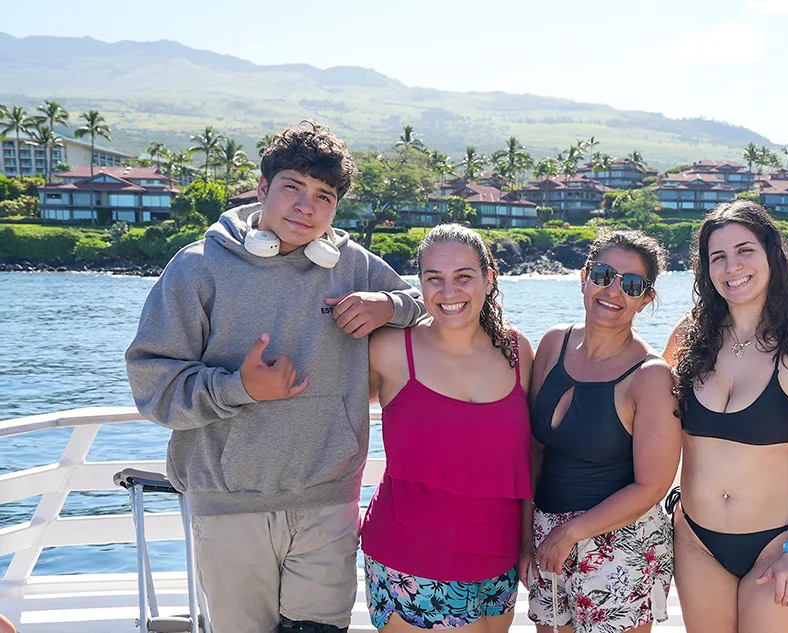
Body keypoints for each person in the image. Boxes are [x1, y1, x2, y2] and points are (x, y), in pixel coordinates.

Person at [125, 120, 425, 633]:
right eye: (292, 188)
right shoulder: (197, 268)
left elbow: (425, 305)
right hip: (228, 505)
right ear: (263, 189)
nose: (306, 207)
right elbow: (154, 387)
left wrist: (386, 304)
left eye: (323, 196)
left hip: (330, 500)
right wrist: (240, 388)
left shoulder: (354, 267)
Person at [664, 200, 788, 633]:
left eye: (745, 250)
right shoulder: (688, 340)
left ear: (771, 256)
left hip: (778, 543)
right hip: (697, 541)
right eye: (718, 257)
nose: (733, 267)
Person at [361, 224, 534, 632]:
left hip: (499, 556)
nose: (449, 292)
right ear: (418, 284)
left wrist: (527, 542)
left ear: (489, 280)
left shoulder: (517, 350)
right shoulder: (389, 349)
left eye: (464, 277)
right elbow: (326, 409)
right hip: (413, 556)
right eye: (433, 279)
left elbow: (530, 455)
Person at [525, 230, 681, 633]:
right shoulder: (552, 345)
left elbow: (652, 486)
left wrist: (571, 532)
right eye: (603, 274)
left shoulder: (650, 377)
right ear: (583, 277)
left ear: (645, 300)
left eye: (631, 285)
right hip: (547, 533)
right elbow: (534, 450)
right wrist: (527, 532)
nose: (613, 290)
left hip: (620, 545)